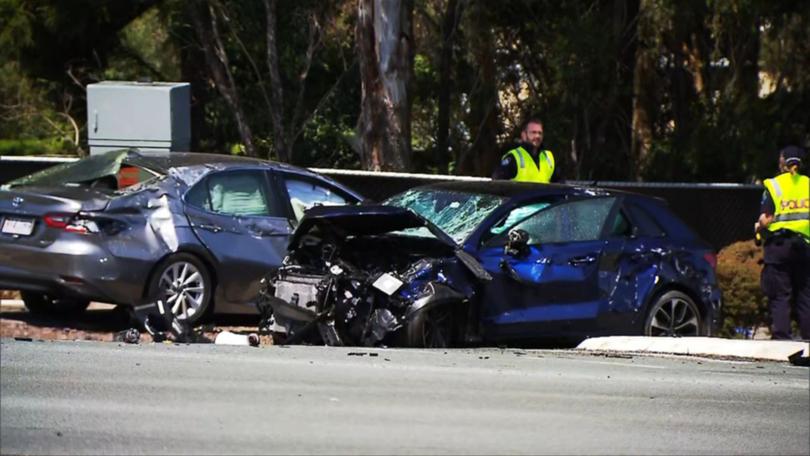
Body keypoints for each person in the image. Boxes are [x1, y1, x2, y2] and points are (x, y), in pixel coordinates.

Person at [754, 145, 810, 340]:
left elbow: (767, 218)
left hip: (779, 247)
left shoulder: (774, 185)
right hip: (804, 248)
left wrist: (758, 227)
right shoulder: (808, 184)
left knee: (780, 296)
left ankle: (782, 339)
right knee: (805, 297)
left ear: (783, 162)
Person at [492, 117, 556, 183]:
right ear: (523, 135)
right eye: (533, 132)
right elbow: (497, 183)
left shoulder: (548, 157)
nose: (537, 136)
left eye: (540, 133)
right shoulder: (513, 157)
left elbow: (560, 184)